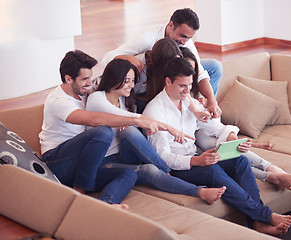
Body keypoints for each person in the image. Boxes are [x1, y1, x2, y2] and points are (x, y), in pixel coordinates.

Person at [143, 57, 291, 236]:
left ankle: (257, 222)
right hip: (178, 168)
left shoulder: (189, 102)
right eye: (182, 86)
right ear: (168, 81)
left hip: (196, 157)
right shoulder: (155, 112)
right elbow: (164, 157)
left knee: (240, 162)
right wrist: (197, 161)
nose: (187, 90)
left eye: (190, 85)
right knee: (213, 171)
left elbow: (216, 127)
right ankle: (265, 216)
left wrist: (235, 140)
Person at [39, 50, 195, 209]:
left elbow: (115, 71)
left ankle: (108, 204)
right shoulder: (59, 101)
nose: (89, 83)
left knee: (129, 173)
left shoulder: (85, 90)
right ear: (68, 79)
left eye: (90, 78)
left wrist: (193, 105)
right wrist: (146, 122)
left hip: (84, 161)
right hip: (59, 160)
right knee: (103, 132)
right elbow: (94, 120)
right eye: (84, 79)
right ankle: (80, 191)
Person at [85, 58, 226, 204]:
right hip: (105, 160)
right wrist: (168, 127)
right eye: (127, 81)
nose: (131, 85)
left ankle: (165, 170)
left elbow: (134, 120)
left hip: (124, 155)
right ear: (113, 78)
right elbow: (132, 117)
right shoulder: (97, 98)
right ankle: (188, 185)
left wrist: (194, 108)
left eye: (133, 81)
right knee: (147, 169)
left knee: (130, 132)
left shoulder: (126, 101)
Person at [180, 46, 291, 191]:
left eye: (194, 71)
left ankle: (270, 167)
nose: (192, 74)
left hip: (203, 128)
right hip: (188, 137)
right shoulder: (175, 94)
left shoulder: (197, 87)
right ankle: (271, 175)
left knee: (216, 145)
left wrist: (235, 140)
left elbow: (216, 126)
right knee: (213, 151)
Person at [102, 8, 222, 118]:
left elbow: (200, 72)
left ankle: (208, 108)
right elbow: (107, 58)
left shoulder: (185, 43)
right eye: (183, 36)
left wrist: (211, 100)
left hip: (173, 76)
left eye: (189, 38)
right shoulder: (147, 38)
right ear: (171, 25)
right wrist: (126, 57)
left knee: (214, 66)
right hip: (149, 85)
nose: (185, 42)